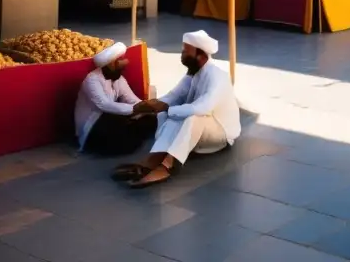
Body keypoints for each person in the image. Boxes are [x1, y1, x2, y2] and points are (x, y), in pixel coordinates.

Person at [113, 30, 240, 188]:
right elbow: (174, 95)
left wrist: (168, 108)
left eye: (186, 52)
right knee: (169, 112)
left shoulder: (217, 76)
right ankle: (154, 158)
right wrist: (155, 104)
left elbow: (203, 108)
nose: (182, 55)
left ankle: (168, 165)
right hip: (201, 128)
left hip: (221, 133)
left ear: (200, 55)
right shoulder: (193, 73)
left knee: (192, 116)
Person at [75, 42, 157, 155]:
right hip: (93, 124)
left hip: (112, 118)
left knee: (152, 119)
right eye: (120, 68)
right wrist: (136, 108)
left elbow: (131, 98)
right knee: (124, 143)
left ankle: (133, 132)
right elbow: (104, 105)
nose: (122, 71)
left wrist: (148, 107)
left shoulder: (118, 78)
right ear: (111, 64)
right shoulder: (92, 80)